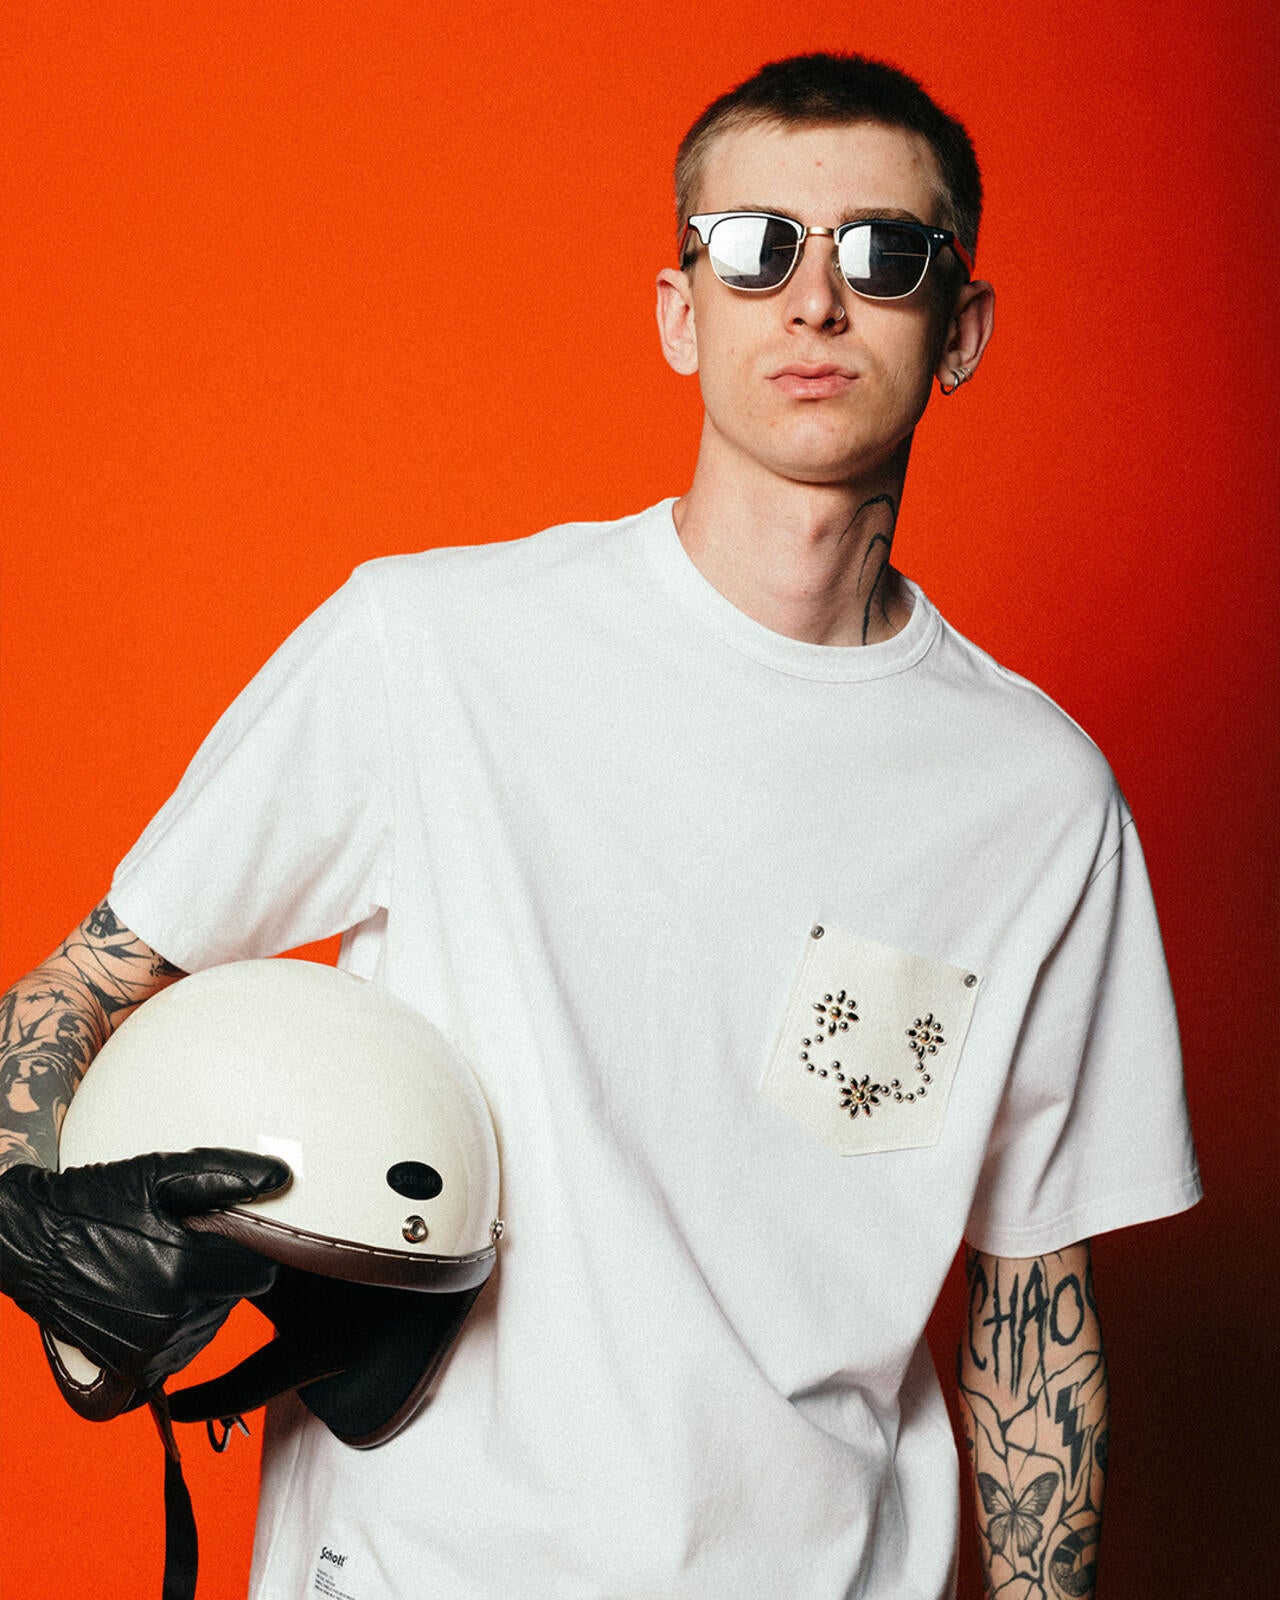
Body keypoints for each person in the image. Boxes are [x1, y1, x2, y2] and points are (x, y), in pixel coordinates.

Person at [0, 51, 1200, 1600]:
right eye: (756, 247)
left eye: (882, 252)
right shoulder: (430, 650)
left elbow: (1035, 1310)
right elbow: (71, 992)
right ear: (680, 313)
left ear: (958, 329)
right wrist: (38, 1209)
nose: (815, 301)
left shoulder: (1037, 799)